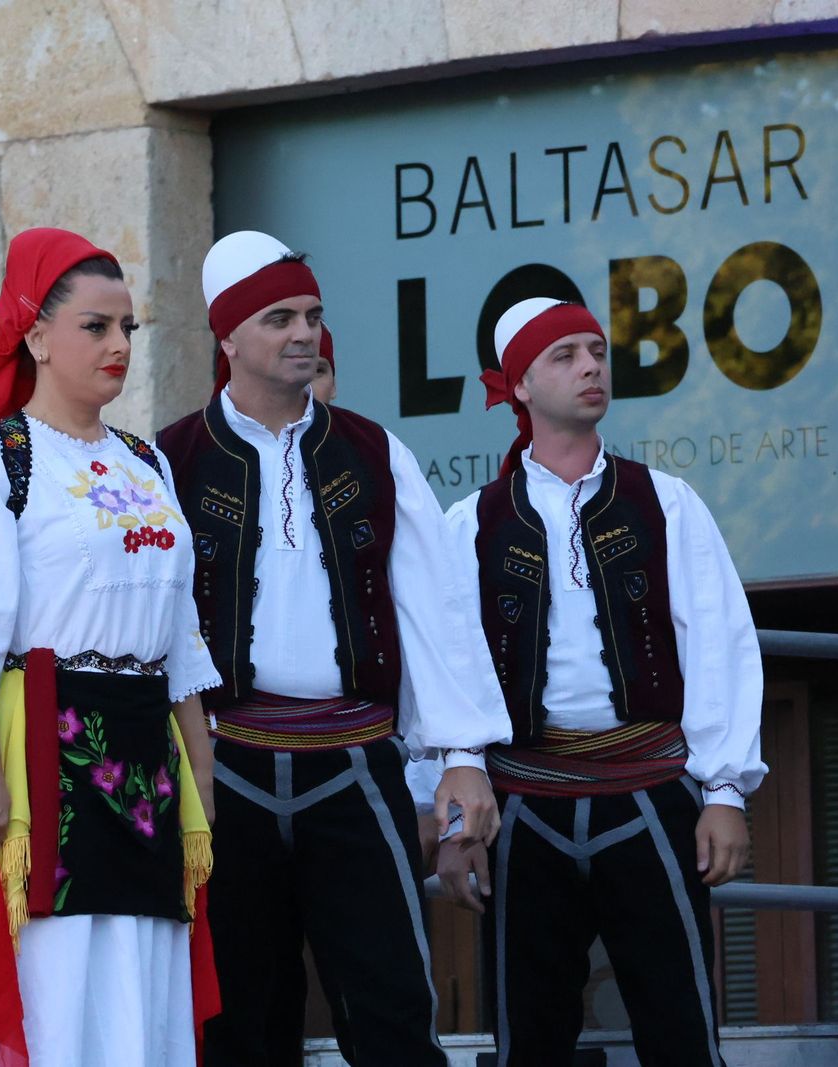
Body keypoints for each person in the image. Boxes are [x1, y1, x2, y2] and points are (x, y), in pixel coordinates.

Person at [155, 230, 510, 1067]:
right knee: (236, 1018)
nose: (304, 333)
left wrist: (462, 753)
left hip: (354, 762)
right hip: (223, 764)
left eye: (312, 314)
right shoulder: (170, 460)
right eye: (279, 317)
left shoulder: (375, 450)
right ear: (228, 337)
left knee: (390, 1004)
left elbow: (435, 608)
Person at [0, 227, 222, 1066]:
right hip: (42, 742)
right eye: (96, 326)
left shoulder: (144, 463)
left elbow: (181, 635)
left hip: (143, 747)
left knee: (138, 972)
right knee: (56, 974)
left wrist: (201, 769)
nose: (119, 345)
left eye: (128, 328)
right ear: (36, 334)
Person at [438, 297, 765, 1066]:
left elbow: (721, 645)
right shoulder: (472, 523)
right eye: (565, 355)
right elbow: (449, 677)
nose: (590, 366)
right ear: (517, 384)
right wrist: (454, 825)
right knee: (531, 1040)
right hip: (525, 803)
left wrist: (724, 792)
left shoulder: (666, 503)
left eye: (596, 350)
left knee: (681, 1028)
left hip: (650, 792)